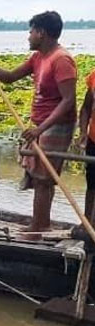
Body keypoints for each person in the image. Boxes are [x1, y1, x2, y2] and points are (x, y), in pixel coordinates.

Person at [0, 11, 77, 233]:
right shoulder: (38, 57)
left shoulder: (61, 60)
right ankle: (41, 224)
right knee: (39, 176)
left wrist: (41, 128)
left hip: (56, 125)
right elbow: (9, 77)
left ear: (41, 33)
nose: (28, 36)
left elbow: (68, 101)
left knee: (43, 178)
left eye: (31, 32)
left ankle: (38, 228)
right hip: (39, 122)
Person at [79, 68, 95, 220]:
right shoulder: (94, 76)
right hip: (93, 140)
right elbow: (85, 108)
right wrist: (83, 132)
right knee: (92, 184)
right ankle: (87, 222)